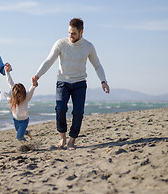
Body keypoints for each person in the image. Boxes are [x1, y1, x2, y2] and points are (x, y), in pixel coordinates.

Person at [31, 18, 110, 150]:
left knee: (78, 112)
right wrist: (37, 75)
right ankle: (62, 138)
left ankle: (72, 141)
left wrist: (103, 81)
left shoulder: (88, 46)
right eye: (69, 32)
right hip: (63, 81)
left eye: (73, 33)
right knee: (60, 109)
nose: (70, 36)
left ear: (81, 32)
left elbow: (97, 65)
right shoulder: (61, 44)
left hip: (79, 83)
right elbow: (49, 60)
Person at [4, 65, 37, 142]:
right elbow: (10, 82)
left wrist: (34, 85)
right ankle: (27, 132)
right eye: (17, 96)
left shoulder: (26, 98)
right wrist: (7, 72)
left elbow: (31, 90)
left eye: (20, 96)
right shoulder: (12, 97)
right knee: (19, 132)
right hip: (16, 120)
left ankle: (27, 144)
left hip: (24, 121)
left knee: (19, 137)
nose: (19, 98)